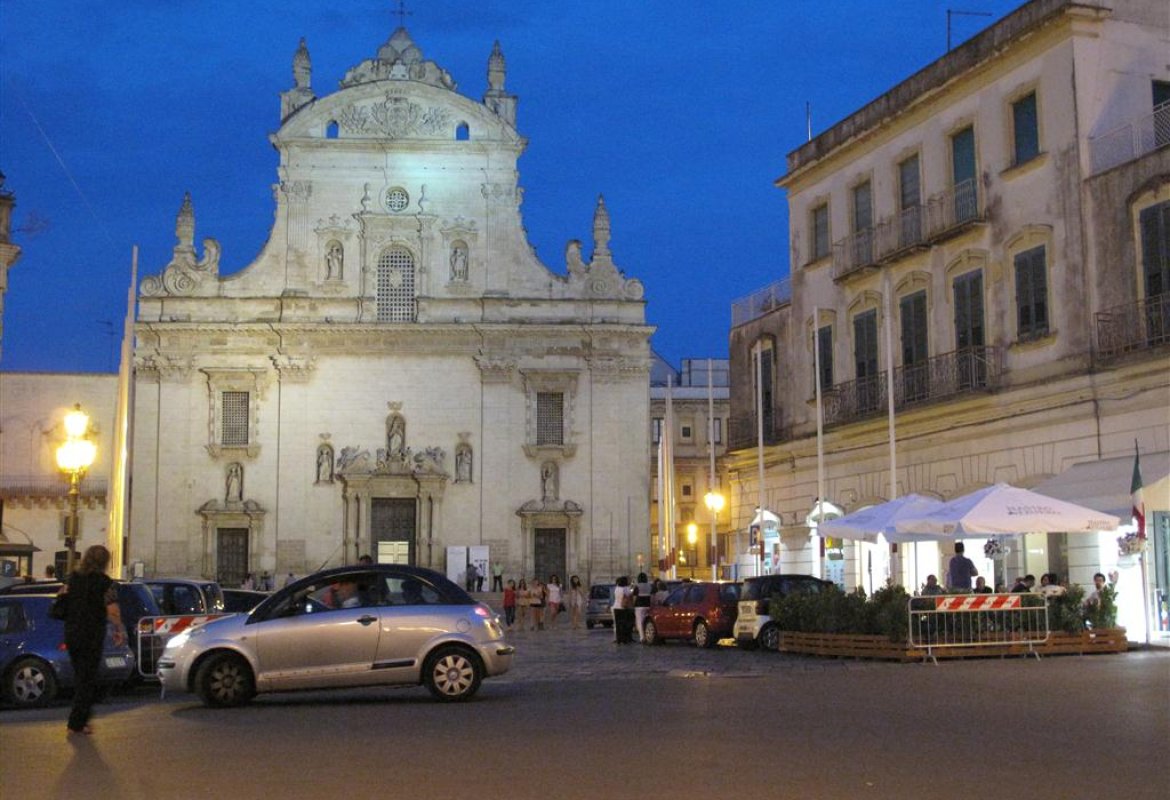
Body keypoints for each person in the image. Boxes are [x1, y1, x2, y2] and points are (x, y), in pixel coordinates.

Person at [61, 544, 125, 736]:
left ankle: (81, 719)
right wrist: (118, 630)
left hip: (72, 632)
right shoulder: (105, 582)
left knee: (82, 676)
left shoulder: (72, 578)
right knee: (87, 678)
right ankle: (77, 722)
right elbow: (112, 610)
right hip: (92, 633)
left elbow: (62, 596)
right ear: (105, 562)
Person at [612, 576, 636, 643]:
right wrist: (632, 586)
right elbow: (630, 593)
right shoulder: (625, 588)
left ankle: (618, 639)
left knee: (618, 624)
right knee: (625, 624)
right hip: (623, 607)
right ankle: (625, 639)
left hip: (616, 607)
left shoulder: (617, 588)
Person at [633, 572, 653, 642]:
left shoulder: (637, 586)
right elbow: (652, 595)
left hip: (639, 606)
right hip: (648, 605)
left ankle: (642, 637)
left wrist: (633, 604)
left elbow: (635, 597)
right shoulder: (649, 586)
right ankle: (647, 635)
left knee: (640, 622)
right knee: (646, 621)